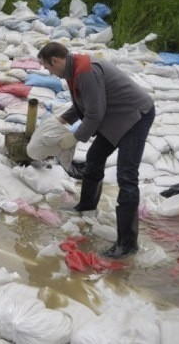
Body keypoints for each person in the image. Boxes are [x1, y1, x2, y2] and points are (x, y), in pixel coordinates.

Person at [37, 42, 155, 259]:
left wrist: (74, 138)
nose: (50, 73)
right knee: (95, 156)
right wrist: (62, 119)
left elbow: (95, 114)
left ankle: (127, 244)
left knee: (126, 175)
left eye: (48, 68)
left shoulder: (85, 72)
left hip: (135, 116)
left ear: (55, 60)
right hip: (117, 116)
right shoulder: (74, 70)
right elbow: (84, 104)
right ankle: (86, 205)